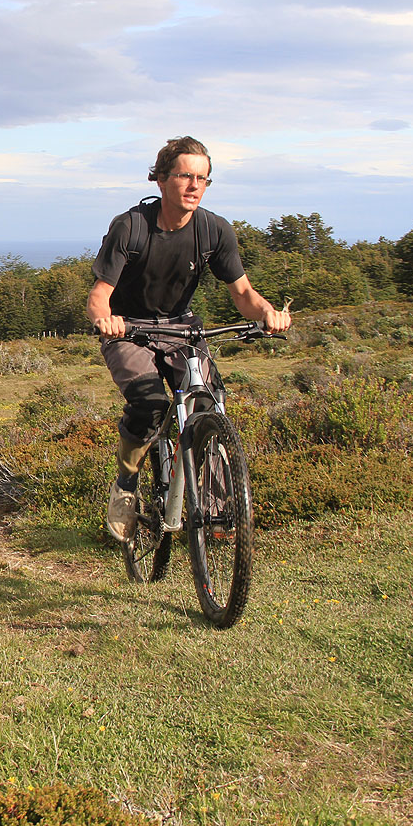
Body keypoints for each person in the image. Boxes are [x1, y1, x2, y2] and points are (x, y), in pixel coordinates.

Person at [87, 136, 292, 541]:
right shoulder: (130, 227)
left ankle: (214, 512)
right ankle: (126, 484)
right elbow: (98, 296)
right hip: (130, 329)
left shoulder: (214, 231)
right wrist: (106, 321)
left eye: (203, 178)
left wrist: (267, 313)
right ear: (162, 179)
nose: (194, 185)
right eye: (185, 176)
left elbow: (244, 295)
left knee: (210, 403)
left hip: (182, 328)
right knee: (148, 405)